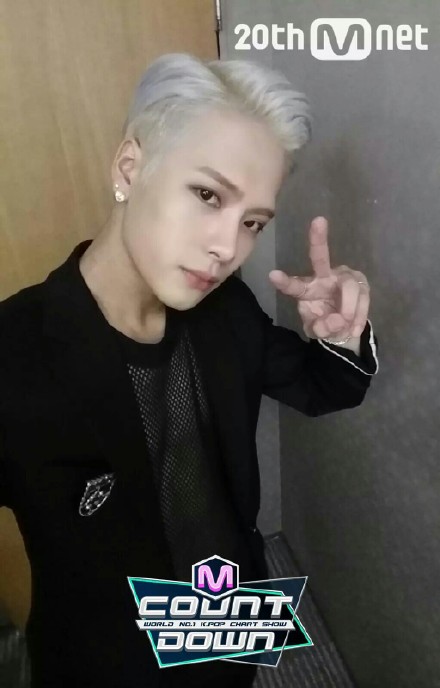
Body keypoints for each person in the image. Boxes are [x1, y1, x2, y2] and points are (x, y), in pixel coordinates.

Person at [0, 52, 378, 687]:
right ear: (130, 167)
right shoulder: (16, 354)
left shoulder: (227, 310)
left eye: (252, 222)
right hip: (108, 663)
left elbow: (322, 387)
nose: (228, 248)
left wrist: (343, 339)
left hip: (229, 621)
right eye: (207, 195)